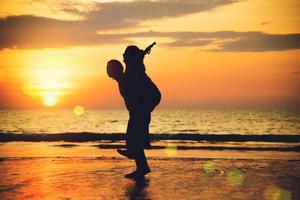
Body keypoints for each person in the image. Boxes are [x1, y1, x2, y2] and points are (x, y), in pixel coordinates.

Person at [107, 55, 160, 179]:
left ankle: (138, 161)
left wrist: (138, 57)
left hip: (142, 108)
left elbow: (138, 68)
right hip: (139, 110)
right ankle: (140, 165)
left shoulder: (129, 76)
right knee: (133, 138)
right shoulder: (123, 79)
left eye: (109, 68)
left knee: (133, 138)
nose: (108, 71)